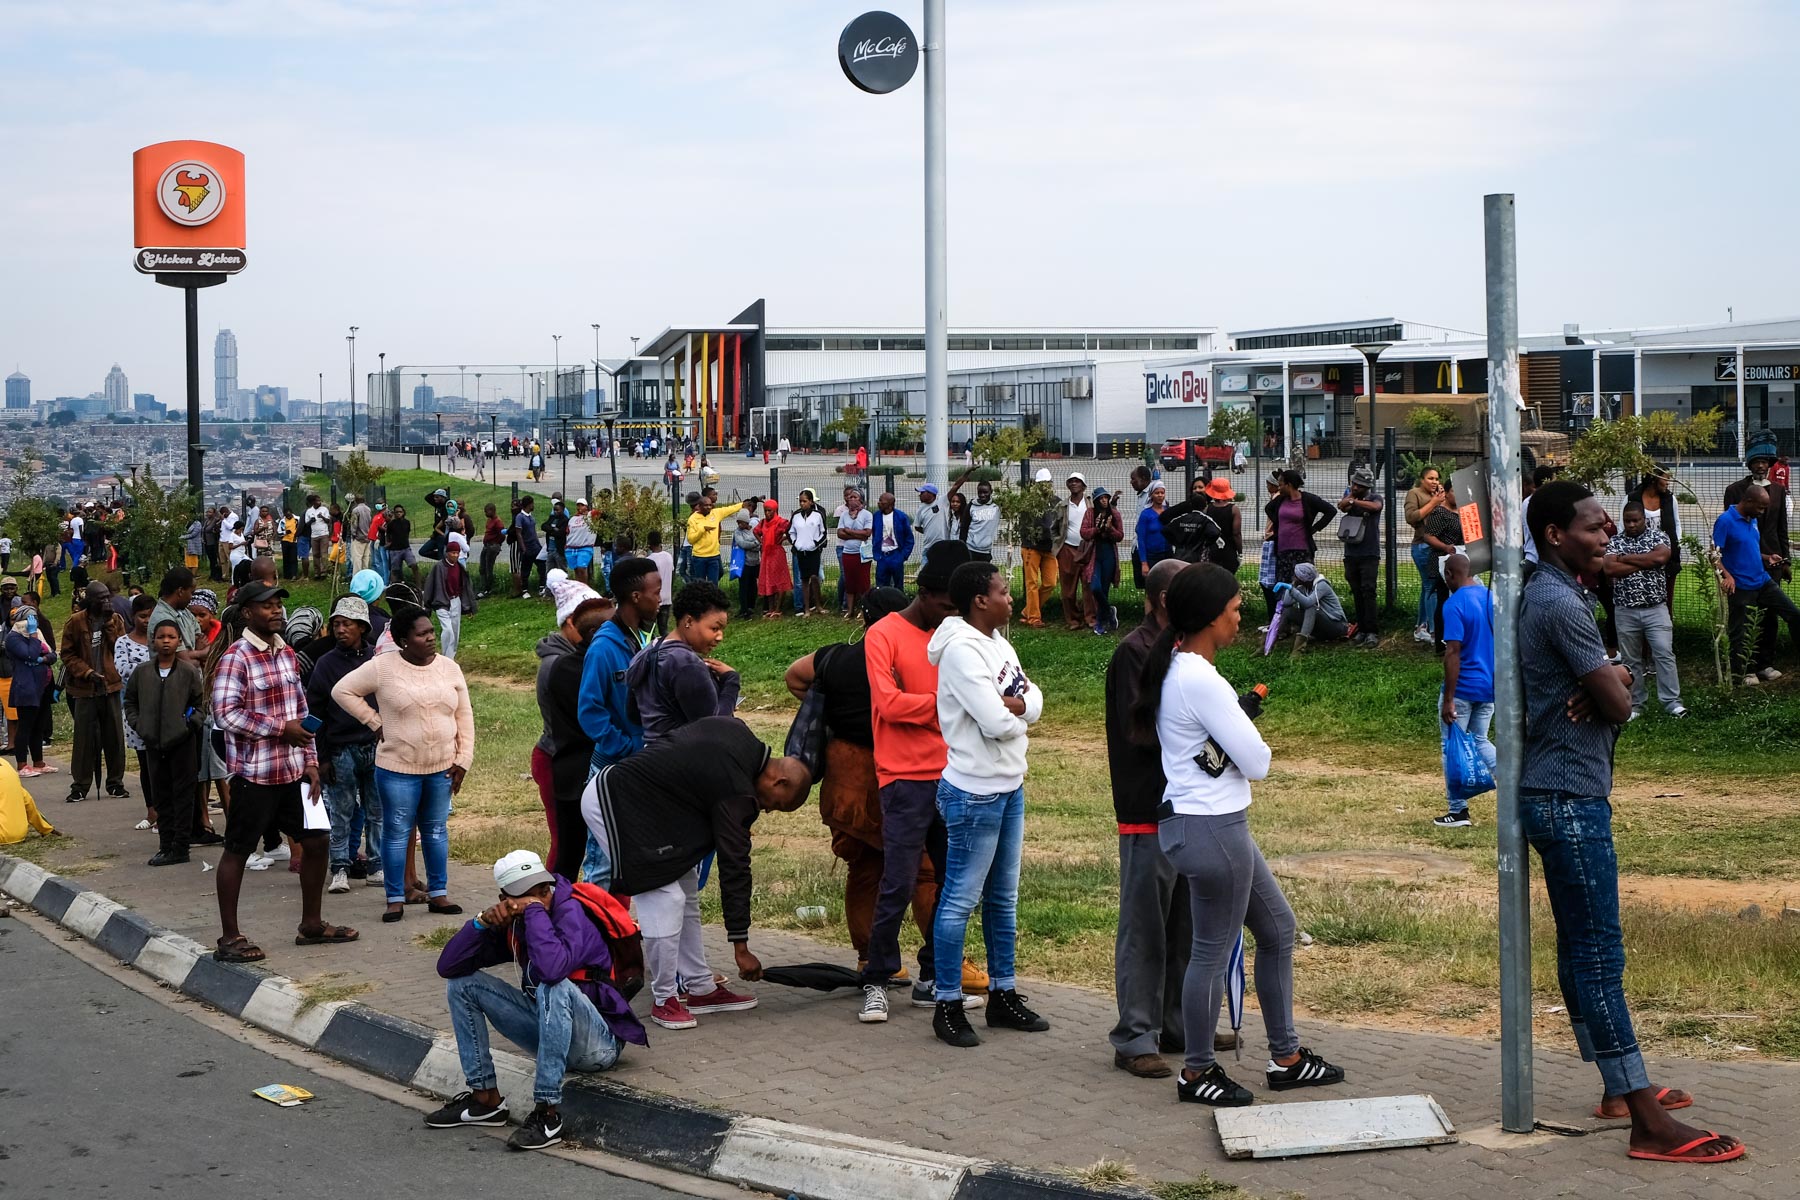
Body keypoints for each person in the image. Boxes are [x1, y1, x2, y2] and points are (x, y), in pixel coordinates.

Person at [1520, 480, 1743, 1162]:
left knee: (1579, 951)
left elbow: (1618, 685)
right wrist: (1610, 686)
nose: (1606, 537)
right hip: (1569, 797)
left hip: (1561, 790)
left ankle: (1618, 1090)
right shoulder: (1560, 601)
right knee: (1598, 956)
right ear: (1556, 534)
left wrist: (1610, 676)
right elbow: (1619, 704)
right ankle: (1645, 1118)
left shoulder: (1563, 591)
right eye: (1593, 527)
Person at [1133, 562, 1345, 1106]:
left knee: (1277, 929)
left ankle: (1287, 1056)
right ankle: (1198, 1072)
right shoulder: (1201, 678)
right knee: (1211, 951)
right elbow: (1257, 760)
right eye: (1232, 611)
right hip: (1212, 828)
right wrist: (1242, 738)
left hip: (1205, 824)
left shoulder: (1180, 666)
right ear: (1208, 618)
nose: (1239, 618)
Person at [580, 717, 810, 1031]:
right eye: (775, 805)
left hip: (650, 810)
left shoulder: (739, 734)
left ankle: (700, 988)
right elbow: (735, 867)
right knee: (665, 896)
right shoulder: (736, 788)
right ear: (778, 782)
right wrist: (740, 947)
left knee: (685, 885)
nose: (767, 810)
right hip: (613, 802)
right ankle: (664, 999)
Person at [430, 849, 647, 1151]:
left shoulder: (572, 914)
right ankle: (485, 1099)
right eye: (528, 895)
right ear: (505, 897)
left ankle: (547, 1114)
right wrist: (481, 922)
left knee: (552, 986)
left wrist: (532, 911)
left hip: (597, 1045)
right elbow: (448, 967)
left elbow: (553, 969)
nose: (542, 897)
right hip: (550, 1034)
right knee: (462, 985)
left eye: (543, 889)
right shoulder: (515, 924)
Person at [783, 589, 932, 1024]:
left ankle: (872, 960)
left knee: (865, 868)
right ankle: (945, 963)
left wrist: (824, 711)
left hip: (846, 779)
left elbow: (794, 676)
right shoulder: (906, 659)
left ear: (865, 618)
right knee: (923, 869)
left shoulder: (835, 657)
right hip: (897, 771)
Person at [859, 541, 987, 1013]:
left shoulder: (955, 636)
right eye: (946, 607)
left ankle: (933, 975)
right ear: (926, 594)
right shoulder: (883, 635)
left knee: (954, 884)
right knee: (898, 879)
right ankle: (876, 977)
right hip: (904, 778)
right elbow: (888, 705)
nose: (951, 617)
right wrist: (949, 707)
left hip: (955, 774)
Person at [925, 560, 1045, 1048]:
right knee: (959, 900)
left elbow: (1032, 697)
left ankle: (1003, 994)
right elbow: (997, 721)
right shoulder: (959, 652)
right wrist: (1016, 711)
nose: (1010, 597)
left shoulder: (999, 643)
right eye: (1003, 590)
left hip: (1009, 783)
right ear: (980, 600)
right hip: (974, 791)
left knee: (1002, 899)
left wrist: (1018, 708)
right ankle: (948, 1003)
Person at [211, 581, 355, 961]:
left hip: (293, 773)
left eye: (278, 605)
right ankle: (229, 938)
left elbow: (301, 713)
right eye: (266, 606)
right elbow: (225, 714)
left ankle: (311, 924)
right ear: (247, 613)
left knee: (318, 840)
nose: (276, 611)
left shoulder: (287, 654)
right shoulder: (236, 658)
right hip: (254, 776)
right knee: (237, 851)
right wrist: (278, 729)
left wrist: (310, 761)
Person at [1105, 559, 1200, 1079]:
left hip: (1190, 807)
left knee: (1184, 924)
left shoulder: (1186, 652)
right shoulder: (1135, 653)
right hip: (1148, 808)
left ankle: (1177, 1024)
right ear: (1166, 600)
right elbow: (1138, 731)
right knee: (1145, 927)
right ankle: (1134, 1034)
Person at [331, 605, 474, 922]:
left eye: (432, 631)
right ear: (403, 641)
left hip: (441, 768)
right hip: (397, 770)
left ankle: (439, 894)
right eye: (422, 634)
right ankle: (394, 898)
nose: (431, 638)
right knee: (396, 833)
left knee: (436, 832)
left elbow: (464, 717)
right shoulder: (382, 667)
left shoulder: (449, 669)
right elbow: (342, 690)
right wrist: (373, 721)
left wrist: (463, 759)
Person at [536, 573, 611, 879]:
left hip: (576, 759)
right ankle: (550, 908)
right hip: (559, 759)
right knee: (568, 847)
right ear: (571, 624)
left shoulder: (583, 658)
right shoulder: (560, 666)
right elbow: (587, 721)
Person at [307, 595, 383, 893]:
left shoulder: (377, 660)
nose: (340, 630)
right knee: (341, 811)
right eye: (336, 624)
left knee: (377, 810)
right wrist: (322, 757)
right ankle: (340, 867)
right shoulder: (325, 665)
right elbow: (315, 713)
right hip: (340, 749)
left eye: (347, 624)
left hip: (374, 746)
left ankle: (376, 865)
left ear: (362, 627)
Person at [125, 619, 204, 867]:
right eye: (161, 637)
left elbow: (201, 704)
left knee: (183, 795)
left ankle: (181, 847)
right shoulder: (143, 672)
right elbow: (130, 702)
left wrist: (189, 724)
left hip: (182, 742)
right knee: (161, 796)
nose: (166, 641)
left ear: (179, 640)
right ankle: (165, 845)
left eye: (171, 637)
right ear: (153, 641)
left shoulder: (188, 672)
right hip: (153, 743)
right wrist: (140, 725)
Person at [578, 556, 657, 790]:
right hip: (613, 767)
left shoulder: (644, 639)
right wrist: (627, 746)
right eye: (656, 592)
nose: (660, 600)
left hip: (642, 762)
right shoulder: (602, 648)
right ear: (636, 597)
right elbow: (589, 711)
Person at [626, 581, 740, 744]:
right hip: (682, 759)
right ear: (689, 621)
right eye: (715, 628)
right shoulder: (686, 663)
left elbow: (633, 714)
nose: (720, 636)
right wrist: (731, 681)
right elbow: (714, 727)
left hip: (652, 756)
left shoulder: (647, 651)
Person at [1713, 483, 1800, 685]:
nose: (1762, 512)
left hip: (1762, 579)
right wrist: (1727, 576)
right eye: (1760, 507)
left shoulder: (1751, 519)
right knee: (1740, 629)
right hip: (1741, 584)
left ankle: (1764, 665)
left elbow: (1748, 549)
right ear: (1748, 501)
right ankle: (1743, 672)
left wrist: (1766, 557)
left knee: (1792, 614)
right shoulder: (1726, 521)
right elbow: (1714, 555)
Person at [1605, 502, 1684, 718]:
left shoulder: (1658, 537)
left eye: (1635, 520)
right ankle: (1636, 703)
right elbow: (1610, 568)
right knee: (1631, 660)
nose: (1630, 525)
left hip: (1655, 608)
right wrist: (1644, 561)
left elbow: (1660, 558)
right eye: (1627, 521)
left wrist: (1624, 559)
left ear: (1644, 520)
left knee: (1664, 653)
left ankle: (1672, 702)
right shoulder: (1615, 541)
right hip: (1625, 609)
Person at [1434, 553, 1495, 828]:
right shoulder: (1491, 597)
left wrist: (1449, 699)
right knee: (1480, 740)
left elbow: (1453, 652)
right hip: (1490, 685)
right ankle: (1518, 783)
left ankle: (1458, 811)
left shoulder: (1454, 603)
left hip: (1463, 688)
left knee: (1452, 747)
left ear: (1449, 574)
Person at [60, 582, 128, 805]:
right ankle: (80, 786)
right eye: (101, 598)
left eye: (108, 597)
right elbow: (67, 655)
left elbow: (120, 648)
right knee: (83, 740)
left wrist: (108, 622)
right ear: (90, 600)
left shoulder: (115, 619)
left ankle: (116, 783)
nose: (106, 602)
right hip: (84, 688)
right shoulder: (76, 622)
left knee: (115, 737)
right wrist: (87, 672)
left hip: (110, 686)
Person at [1722, 429, 1792, 586]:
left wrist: (1786, 561)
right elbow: (1729, 529)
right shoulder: (1734, 490)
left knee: (1771, 607)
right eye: (1756, 462)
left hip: (1773, 559)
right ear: (1750, 465)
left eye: (1764, 462)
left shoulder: (1778, 490)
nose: (1760, 466)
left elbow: (1782, 528)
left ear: (1769, 465)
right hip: (1744, 560)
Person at [115, 594, 157, 828]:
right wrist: (154, 668)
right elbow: (123, 670)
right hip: (136, 711)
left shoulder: (163, 638)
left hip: (162, 709)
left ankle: (166, 811)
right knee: (145, 762)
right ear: (133, 617)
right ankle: (152, 811)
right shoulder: (123, 642)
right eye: (142, 616)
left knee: (160, 762)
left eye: (151, 615)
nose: (147, 621)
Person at [1337, 466, 1383, 645]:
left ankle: (1372, 630)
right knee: (1356, 591)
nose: (1355, 488)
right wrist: (1349, 499)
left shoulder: (1374, 498)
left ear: (1368, 487)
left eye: (1360, 486)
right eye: (1354, 484)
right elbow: (1341, 506)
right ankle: (1361, 628)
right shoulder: (1349, 497)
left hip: (1369, 553)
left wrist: (1354, 502)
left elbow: (1376, 507)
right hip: (1351, 553)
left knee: (1368, 591)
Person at [8, 608, 56, 777]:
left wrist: (43, 659)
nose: (32, 622)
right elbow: (30, 654)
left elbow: (52, 655)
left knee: (39, 726)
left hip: (42, 686)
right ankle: (22, 765)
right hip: (26, 687)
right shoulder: (13, 638)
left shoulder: (38, 634)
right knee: (25, 726)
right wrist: (33, 636)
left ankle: (38, 762)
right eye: (29, 618)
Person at [1405, 467, 1452, 641]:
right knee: (1431, 587)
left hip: (1436, 546)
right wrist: (1433, 503)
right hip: (1422, 547)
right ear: (1422, 479)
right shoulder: (1414, 493)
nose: (1434, 482)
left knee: (1428, 587)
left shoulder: (1439, 495)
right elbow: (1411, 517)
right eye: (1430, 478)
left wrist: (1441, 500)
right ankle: (1434, 632)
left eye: (1437, 479)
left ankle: (1421, 626)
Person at [1626, 467, 1680, 611]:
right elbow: (1622, 526)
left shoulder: (1670, 499)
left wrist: (1675, 544)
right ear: (1653, 479)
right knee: (1641, 596)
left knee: (1666, 600)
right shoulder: (1632, 498)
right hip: (1640, 556)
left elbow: (1677, 523)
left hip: (1666, 558)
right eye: (1665, 478)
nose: (1668, 482)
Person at [421, 533, 479, 661]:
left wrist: (468, 607)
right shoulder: (439, 567)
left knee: (455, 631)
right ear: (447, 553)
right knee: (447, 631)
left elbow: (465, 588)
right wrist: (427, 605)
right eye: (452, 553)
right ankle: (446, 658)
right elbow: (430, 586)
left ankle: (450, 657)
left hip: (455, 601)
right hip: (441, 602)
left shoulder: (460, 567)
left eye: (457, 553)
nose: (455, 555)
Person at [1017, 468, 1062, 627]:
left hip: (1049, 549)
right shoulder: (1029, 502)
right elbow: (1022, 525)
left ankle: (1027, 611)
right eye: (1042, 483)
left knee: (1051, 583)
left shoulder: (1057, 501)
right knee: (1032, 583)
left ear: (1051, 483)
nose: (1045, 486)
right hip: (1032, 547)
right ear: (1037, 485)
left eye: (1047, 483)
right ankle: (1034, 618)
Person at [1274, 562, 1348, 652]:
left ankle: (1299, 648)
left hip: (1337, 626)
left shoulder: (1322, 585)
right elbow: (1286, 603)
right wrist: (1292, 586)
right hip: (1320, 629)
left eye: (1296, 576)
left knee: (1311, 608)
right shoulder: (1303, 587)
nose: (1294, 577)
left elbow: (1308, 603)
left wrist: (1292, 590)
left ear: (1303, 578)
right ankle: (1273, 638)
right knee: (1288, 610)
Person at [1057, 472, 1095, 631]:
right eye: (1071, 481)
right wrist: (1058, 548)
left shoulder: (1091, 505)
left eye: (1077, 481)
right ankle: (1072, 619)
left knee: (1089, 585)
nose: (1073, 484)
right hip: (1068, 549)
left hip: (1087, 549)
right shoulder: (1062, 506)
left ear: (1083, 486)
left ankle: (1090, 618)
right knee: (1068, 588)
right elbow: (1054, 527)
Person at [684, 492, 744, 585]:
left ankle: (713, 599)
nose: (709, 507)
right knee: (700, 585)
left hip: (713, 556)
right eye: (706, 505)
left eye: (710, 505)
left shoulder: (715, 513)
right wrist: (702, 530)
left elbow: (731, 509)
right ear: (699, 506)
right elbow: (691, 539)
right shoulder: (693, 519)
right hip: (699, 557)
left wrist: (744, 504)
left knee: (714, 584)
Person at [835, 486, 874, 617]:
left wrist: (849, 531)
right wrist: (857, 534)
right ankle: (850, 610)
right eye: (850, 497)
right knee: (849, 582)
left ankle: (864, 610)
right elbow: (840, 533)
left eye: (854, 497)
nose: (851, 499)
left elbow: (867, 533)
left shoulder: (867, 515)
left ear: (861, 500)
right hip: (848, 552)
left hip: (862, 553)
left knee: (863, 582)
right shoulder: (844, 515)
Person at [789, 489, 827, 616]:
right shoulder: (796, 516)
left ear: (811, 502)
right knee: (804, 579)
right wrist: (796, 543)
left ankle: (818, 606)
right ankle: (806, 609)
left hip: (813, 551)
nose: (802, 504)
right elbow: (790, 532)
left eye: (804, 501)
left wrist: (816, 544)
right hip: (801, 551)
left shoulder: (818, 515)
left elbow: (823, 532)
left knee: (815, 577)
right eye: (800, 501)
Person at [754, 500, 792, 619]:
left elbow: (790, 529)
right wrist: (762, 542)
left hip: (777, 553)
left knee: (780, 579)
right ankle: (770, 608)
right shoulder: (763, 523)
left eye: (769, 510)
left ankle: (778, 608)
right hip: (767, 554)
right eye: (765, 510)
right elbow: (755, 532)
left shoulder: (780, 522)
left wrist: (784, 538)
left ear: (774, 510)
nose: (767, 513)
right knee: (768, 580)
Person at [870, 492, 913, 592]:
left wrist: (903, 555)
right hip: (882, 556)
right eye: (879, 500)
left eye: (882, 501)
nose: (879, 503)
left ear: (890, 504)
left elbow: (909, 538)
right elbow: (874, 533)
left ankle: (899, 605)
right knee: (880, 585)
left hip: (896, 555)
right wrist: (876, 552)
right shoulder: (876, 516)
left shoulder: (901, 517)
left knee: (898, 585)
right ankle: (882, 605)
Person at [730, 506, 761, 618]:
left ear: (747, 521)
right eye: (738, 523)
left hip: (755, 562)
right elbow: (742, 544)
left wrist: (753, 545)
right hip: (744, 564)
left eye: (742, 522)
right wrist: (755, 544)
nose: (740, 525)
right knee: (744, 586)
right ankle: (744, 608)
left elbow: (760, 544)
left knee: (753, 585)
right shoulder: (737, 532)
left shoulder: (754, 530)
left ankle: (751, 606)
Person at [1135, 481, 1170, 578]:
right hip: (1152, 557)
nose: (1160, 495)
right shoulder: (1145, 514)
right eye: (1157, 493)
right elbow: (1141, 539)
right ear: (1151, 495)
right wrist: (1144, 563)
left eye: (1162, 493)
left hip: (1167, 554)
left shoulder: (1168, 512)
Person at [643, 530, 675, 635]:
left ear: (649, 544)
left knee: (650, 630)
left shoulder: (649, 560)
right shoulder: (668, 557)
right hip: (667, 598)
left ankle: (651, 649)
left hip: (654, 599)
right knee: (664, 629)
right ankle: (664, 649)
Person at [513, 496, 546, 596]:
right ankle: (525, 590)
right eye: (532, 503)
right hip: (527, 547)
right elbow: (518, 533)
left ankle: (542, 587)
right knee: (526, 569)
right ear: (529, 504)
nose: (533, 505)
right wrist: (523, 548)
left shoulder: (531, 517)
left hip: (535, 546)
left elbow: (533, 532)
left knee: (541, 566)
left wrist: (538, 544)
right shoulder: (520, 517)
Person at [566, 498, 599, 585]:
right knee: (576, 569)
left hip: (585, 547)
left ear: (586, 506)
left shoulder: (590, 516)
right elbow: (568, 532)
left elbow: (599, 512)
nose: (579, 507)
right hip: (571, 547)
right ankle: (579, 587)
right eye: (578, 505)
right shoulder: (572, 519)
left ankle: (585, 588)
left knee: (582, 568)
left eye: (582, 505)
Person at [302, 494, 332, 581]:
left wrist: (322, 517)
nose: (319, 502)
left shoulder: (324, 509)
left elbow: (328, 521)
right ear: (313, 502)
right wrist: (311, 520)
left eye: (320, 500)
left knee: (324, 554)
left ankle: (324, 572)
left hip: (323, 534)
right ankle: (316, 572)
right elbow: (307, 524)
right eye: (317, 501)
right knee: (315, 555)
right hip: (314, 535)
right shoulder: (309, 511)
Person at [479, 502, 505, 596]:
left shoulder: (498, 522)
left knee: (488, 568)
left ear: (492, 511)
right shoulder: (489, 520)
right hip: (486, 545)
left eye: (487, 511)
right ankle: (483, 587)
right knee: (482, 567)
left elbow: (502, 535)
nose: (485, 513)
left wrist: (496, 544)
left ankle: (488, 589)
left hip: (492, 546)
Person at [914, 482, 947, 556]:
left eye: (922, 493)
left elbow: (956, 486)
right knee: (925, 566)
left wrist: (967, 473)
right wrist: (928, 531)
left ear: (930, 494)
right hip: (928, 547)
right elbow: (917, 527)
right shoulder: (920, 509)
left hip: (943, 546)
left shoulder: (942, 501)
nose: (920, 495)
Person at [542, 498, 571, 575]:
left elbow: (560, 533)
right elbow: (543, 526)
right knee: (549, 572)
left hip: (559, 550)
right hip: (550, 550)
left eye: (557, 510)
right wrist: (553, 529)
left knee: (562, 571)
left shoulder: (565, 520)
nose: (555, 512)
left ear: (562, 510)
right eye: (554, 510)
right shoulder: (552, 518)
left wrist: (550, 530)